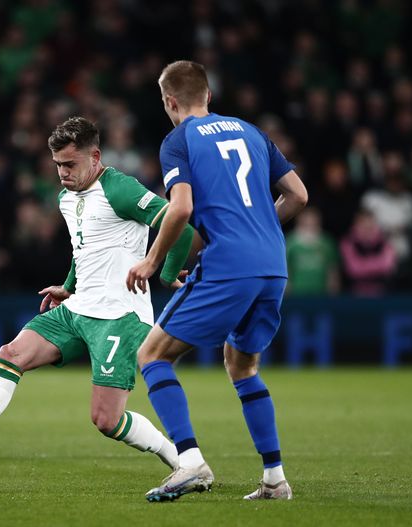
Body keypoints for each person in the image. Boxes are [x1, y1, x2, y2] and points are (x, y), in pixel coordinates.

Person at [0, 117, 195, 473]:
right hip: (77, 308)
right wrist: (69, 286)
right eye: (57, 165)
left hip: (120, 315)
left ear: (96, 156)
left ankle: (179, 458)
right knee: (11, 354)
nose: (62, 173)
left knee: (106, 420)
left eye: (70, 164)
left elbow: (181, 225)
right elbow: (84, 248)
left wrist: (162, 272)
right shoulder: (65, 198)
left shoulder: (120, 189)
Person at [125, 61, 308, 501]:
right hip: (273, 264)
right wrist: (260, 230)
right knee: (242, 364)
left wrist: (152, 261)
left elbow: (181, 209)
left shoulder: (178, 140)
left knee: (151, 355)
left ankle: (189, 462)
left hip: (230, 264)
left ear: (170, 101)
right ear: (208, 95)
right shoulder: (251, 131)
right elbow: (299, 194)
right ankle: (274, 479)